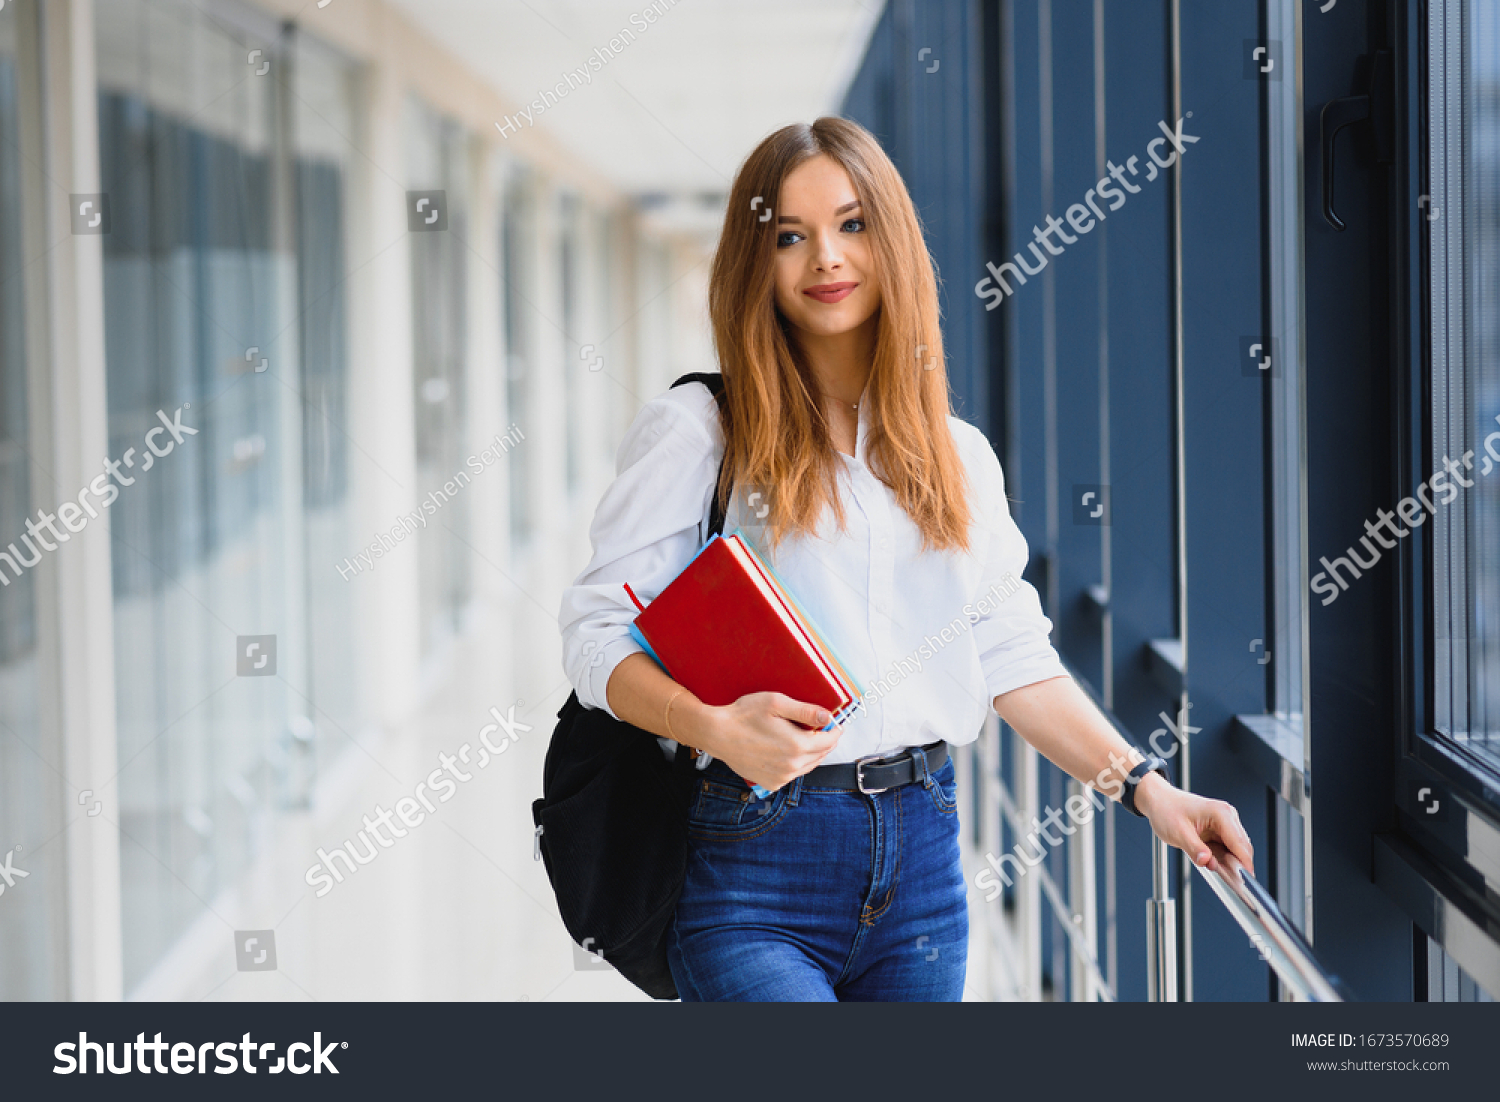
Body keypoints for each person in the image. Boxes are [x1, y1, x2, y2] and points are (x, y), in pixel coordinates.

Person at [558, 116, 1254, 1002]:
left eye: (851, 225)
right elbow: (593, 633)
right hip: (751, 855)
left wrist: (1150, 791)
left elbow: (1010, 657)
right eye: (789, 237)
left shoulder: (956, 455)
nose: (825, 259)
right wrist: (716, 729)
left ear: (892, 241)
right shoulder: (700, 432)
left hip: (923, 864)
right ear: (754, 261)